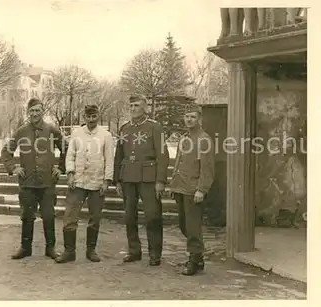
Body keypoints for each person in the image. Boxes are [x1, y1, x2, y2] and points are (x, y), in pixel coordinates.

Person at [1, 98, 67, 260]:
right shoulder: (21, 131)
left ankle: (50, 248)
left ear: (42, 111)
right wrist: (13, 167)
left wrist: (60, 168)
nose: (35, 114)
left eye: (38, 110)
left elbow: (66, 148)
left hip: (47, 182)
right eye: (32, 111)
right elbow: (6, 151)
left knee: (48, 215)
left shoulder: (52, 130)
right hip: (27, 182)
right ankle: (25, 248)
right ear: (28, 113)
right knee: (27, 215)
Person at [113, 95, 170, 266]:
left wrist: (160, 180)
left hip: (148, 178)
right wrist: (117, 180)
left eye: (137, 105)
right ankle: (134, 251)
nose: (133, 108)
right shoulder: (124, 128)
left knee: (152, 216)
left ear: (145, 107)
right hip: (128, 178)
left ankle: (155, 253)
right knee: (130, 217)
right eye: (131, 105)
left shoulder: (155, 127)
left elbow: (162, 155)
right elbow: (119, 155)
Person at [55, 105, 115, 263]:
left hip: (97, 181)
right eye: (88, 116)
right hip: (78, 181)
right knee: (70, 216)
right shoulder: (76, 134)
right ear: (84, 116)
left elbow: (110, 159)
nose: (91, 119)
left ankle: (91, 250)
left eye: (94, 116)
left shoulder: (106, 136)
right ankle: (69, 251)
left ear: (98, 116)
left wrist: (106, 181)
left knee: (95, 217)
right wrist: (69, 174)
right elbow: (70, 156)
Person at [168, 103, 215, 275]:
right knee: (183, 225)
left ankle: (194, 261)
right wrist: (174, 184)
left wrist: (201, 189)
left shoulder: (204, 139)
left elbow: (207, 168)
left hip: (193, 189)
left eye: (193, 117)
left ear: (199, 119)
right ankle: (198, 256)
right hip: (181, 187)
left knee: (193, 227)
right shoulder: (184, 138)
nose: (189, 120)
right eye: (187, 117)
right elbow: (178, 163)